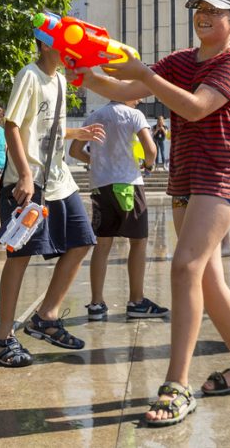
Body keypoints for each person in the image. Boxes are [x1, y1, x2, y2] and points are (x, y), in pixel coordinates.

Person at [79, 0, 230, 427]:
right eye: (199, 7)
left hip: (222, 170)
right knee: (209, 278)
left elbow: (198, 107)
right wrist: (83, 71)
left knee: (184, 268)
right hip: (186, 172)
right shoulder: (178, 61)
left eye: (214, 11)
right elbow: (128, 91)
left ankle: (176, 383)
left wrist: (145, 75)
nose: (203, 14)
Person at [0, 36, 106, 369]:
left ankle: (46, 317)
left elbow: (44, 127)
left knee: (82, 241)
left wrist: (74, 134)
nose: (69, 49)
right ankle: (1, 339)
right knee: (20, 255)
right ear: (44, 44)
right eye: (62, 42)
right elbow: (12, 126)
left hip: (59, 178)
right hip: (29, 181)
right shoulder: (30, 74)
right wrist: (25, 175)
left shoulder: (60, 80)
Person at [69, 99, 168, 320]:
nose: (141, 99)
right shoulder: (134, 115)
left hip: (99, 185)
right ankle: (137, 301)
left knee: (102, 243)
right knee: (138, 242)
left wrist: (95, 162)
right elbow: (150, 149)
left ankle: (96, 304)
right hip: (128, 184)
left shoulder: (94, 116)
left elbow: (75, 150)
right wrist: (149, 165)